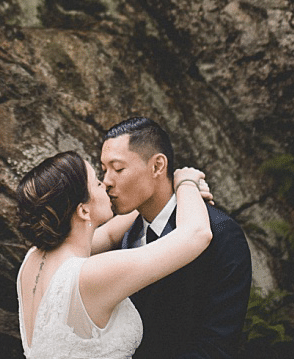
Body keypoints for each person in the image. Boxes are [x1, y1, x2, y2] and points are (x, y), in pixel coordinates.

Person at [16, 150, 214, 359]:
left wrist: (157, 189)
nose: (106, 184)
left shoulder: (33, 259)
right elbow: (196, 234)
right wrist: (186, 182)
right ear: (83, 211)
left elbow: (110, 235)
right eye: (97, 184)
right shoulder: (89, 275)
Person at [101, 117, 252, 359]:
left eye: (118, 169)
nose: (107, 181)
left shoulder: (221, 233)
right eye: (104, 169)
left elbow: (216, 346)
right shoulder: (120, 236)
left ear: (158, 166)